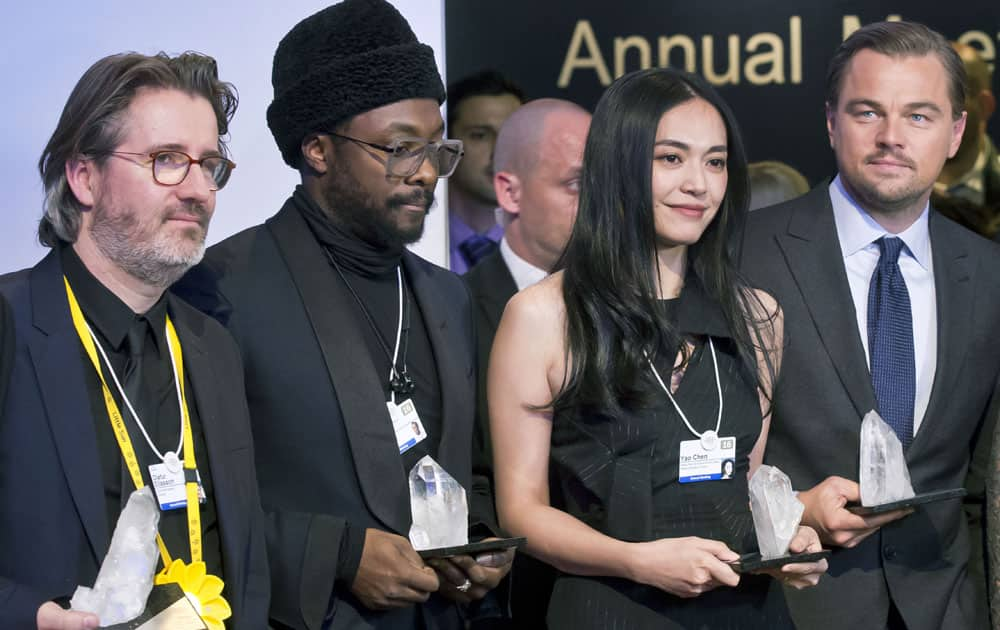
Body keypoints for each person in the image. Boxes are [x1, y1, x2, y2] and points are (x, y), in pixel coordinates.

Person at [173, 1, 513, 628]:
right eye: (400, 148)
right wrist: (335, 555)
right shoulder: (217, 289)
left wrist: (482, 542)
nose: (426, 174)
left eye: (438, 149)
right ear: (318, 150)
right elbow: (187, 504)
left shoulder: (446, 295)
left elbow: (478, 466)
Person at [489, 66, 826, 630]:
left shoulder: (759, 315)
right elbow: (522, 512)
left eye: (715, 162)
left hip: (742, 609)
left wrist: (785, 536)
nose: (699, 183)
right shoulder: (543, 316)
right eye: (671, 158)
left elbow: (743, 485)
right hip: (609, 607)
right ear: (618, 164)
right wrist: (637, 560)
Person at [741, 21, 1000, 630]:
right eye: (867, 112)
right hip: (790, 607)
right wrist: (796, 513)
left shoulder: (989, 275)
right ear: (831, 122)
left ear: (956, 132)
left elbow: (983, 479)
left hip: (948, 608)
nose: (890, 137)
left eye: (918, 116)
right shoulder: (743, 255)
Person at [0, 52, 270, 629]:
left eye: (210, 165)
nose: (200, 189)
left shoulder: (212, 348)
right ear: (84, 177)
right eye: (167, 160)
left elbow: (245, 561)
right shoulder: (10, 322)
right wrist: (26, 615)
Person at [464, 98, 590, 628]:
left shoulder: (638, 310)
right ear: (509, 190)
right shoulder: (455, 312)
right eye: (576, 185)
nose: (600, 206)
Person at [447, 71, 526, 273]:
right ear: (448, 144)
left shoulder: (552, 251)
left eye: (512, 134)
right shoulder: (413, 248)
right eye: (480, 135)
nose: (500, 151)